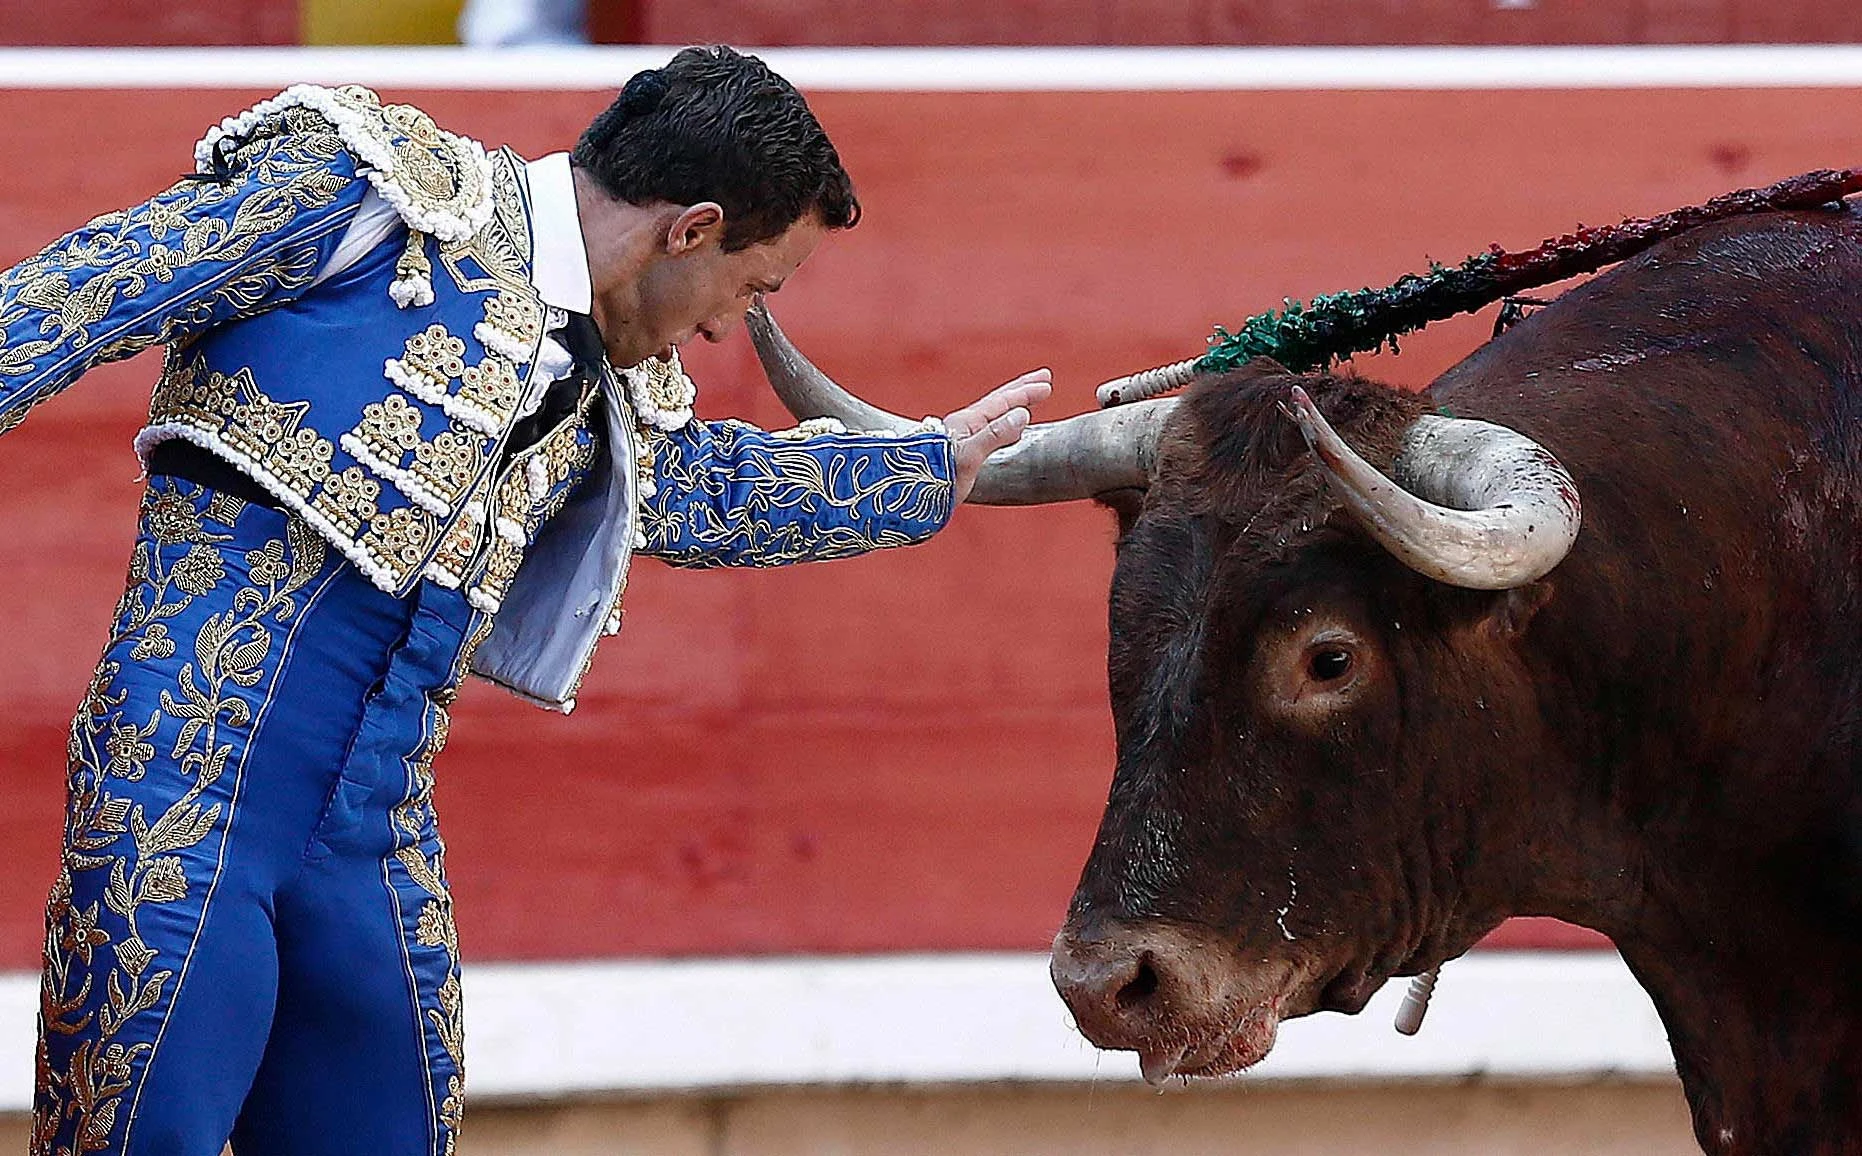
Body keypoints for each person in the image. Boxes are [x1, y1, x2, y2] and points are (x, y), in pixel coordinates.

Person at [0, 45, 1048, 1156]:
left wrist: (925, 470)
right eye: (753, 288)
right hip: (182, 797)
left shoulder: (610, 379)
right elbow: (57, 309)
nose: (721, 328)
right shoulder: (364, 200)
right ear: (689, 228)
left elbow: (697, 494)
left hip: (372, 838)